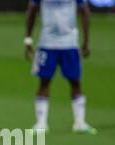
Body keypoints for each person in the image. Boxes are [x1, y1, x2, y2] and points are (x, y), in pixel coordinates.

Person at [25, 0, 97, 134]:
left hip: (69, 42)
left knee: (75, 81)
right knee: (44, 81)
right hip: (47, 42)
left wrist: (86, 41)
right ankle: (41, 123)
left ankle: (80, 123)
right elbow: (32, 10)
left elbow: (85, 11)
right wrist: (28, 39)